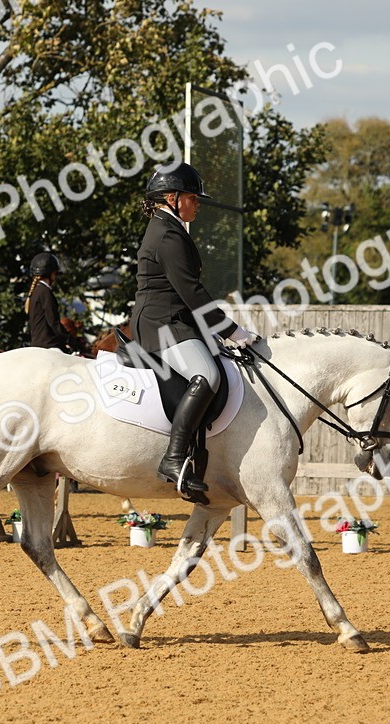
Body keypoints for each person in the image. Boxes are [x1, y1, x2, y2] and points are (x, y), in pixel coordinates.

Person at [132, 162, 254, 501]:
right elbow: (192, 292)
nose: (197, 203)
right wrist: (231, 330)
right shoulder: (167, 235)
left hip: (174, 321)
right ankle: (173, 458)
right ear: (171, 198)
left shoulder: (169, 229)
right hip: (163, 324)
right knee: (207, 375)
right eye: (192, 197)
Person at [26, 252, 73, 351]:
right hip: (48, 345)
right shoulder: (45, 291)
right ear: (52, 274)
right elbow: (53, 322)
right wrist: (70, 339)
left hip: (36, 344)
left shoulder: (36, 291)